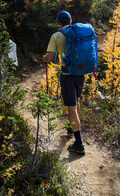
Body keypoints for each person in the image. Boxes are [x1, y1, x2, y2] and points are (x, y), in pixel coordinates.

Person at [42, 11, 86, 155]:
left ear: (59, 23)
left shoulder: (57, 36)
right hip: (81, 73)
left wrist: (44, 58)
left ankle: (79, 144)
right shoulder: (79, 33)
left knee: (71, 107)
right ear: (71, 21)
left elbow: (50, 57)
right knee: (76, 101)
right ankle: (71, 128)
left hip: (67, 75)